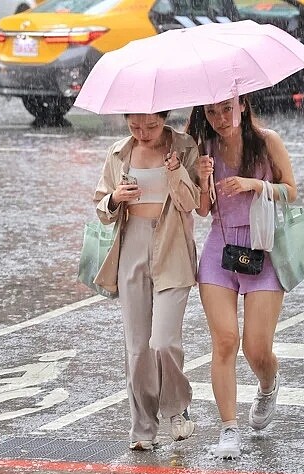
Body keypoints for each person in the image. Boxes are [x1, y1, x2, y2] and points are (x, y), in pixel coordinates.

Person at [185, 96, 297, 459]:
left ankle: (268, 382)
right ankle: (228, 429)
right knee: (225, 341)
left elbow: (291, 192)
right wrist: (202, 179)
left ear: (243, 105)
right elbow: (203, 211)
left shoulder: (267, 142)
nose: (220, 118)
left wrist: (255, 185)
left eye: (226, 109)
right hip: (221, 250)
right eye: (211, 111)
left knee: (256, 348)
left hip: (263, 248)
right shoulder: (204, 149)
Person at [92, 111, 201, 451]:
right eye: (134, 125)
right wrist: (116, 198)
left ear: (164, 117)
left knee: (163, 342)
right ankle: (142, 427)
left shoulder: (184, 147)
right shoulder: (118, 152)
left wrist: (177, 172)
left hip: (172, 247)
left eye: (151, 125)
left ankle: (177, 407)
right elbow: (101, 207)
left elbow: (193, 203)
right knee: (138, 349)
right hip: (132, 247)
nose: (143, 132)